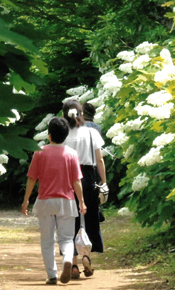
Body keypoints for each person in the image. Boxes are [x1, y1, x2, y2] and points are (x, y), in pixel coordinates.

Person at [22, 117, 87, 285]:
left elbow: (31, 178)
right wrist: (81, 201)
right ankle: (67, 259)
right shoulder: (71, 154)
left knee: (47, 241)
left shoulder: (39, 152)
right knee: (66, 239)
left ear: (49, 135)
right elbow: (76, 181)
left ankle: (52, 275)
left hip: (45, 201)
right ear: (65, 136)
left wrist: (26, 200)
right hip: (66, 202)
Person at [62, 99, 106, 279]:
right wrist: (103, 182)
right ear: (81, 113)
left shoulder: (62, 134)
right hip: (87, 177)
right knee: (89, 219)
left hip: (67, 178)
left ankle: (72, 264)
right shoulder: (90, 132)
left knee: (69, 221)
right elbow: (100, 160)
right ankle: (86, 256)